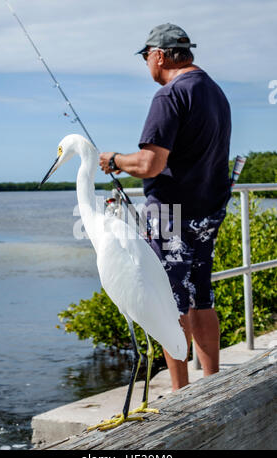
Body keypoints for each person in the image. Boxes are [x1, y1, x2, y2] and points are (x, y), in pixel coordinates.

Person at [99, 23, 231, 391]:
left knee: (170, 303)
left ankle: (180, 393)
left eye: (145, 57)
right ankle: (213, 385)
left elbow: (150, 164)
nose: (146, 64)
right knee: (201, 297)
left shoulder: (170, 96)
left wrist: (114, 159)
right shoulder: (214, 91)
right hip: (210, 210)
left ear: (158, 55)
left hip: (173, 214)